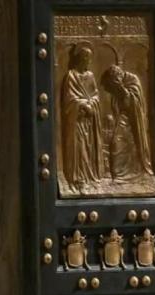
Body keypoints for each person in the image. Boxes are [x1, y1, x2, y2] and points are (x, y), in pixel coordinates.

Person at [60, 41, 103, 194]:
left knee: (89, 148)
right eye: (86, 59)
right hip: (76, 120)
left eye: (90, 59)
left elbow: (96, 95)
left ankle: (90, 179)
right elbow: (69, 99)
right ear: (80, 59)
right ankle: (79, 180)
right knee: (80, 149)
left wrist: (92, 103)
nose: (89, 62)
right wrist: (83, 104)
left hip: (89, 121)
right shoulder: (71, 76)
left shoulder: (90, 76)